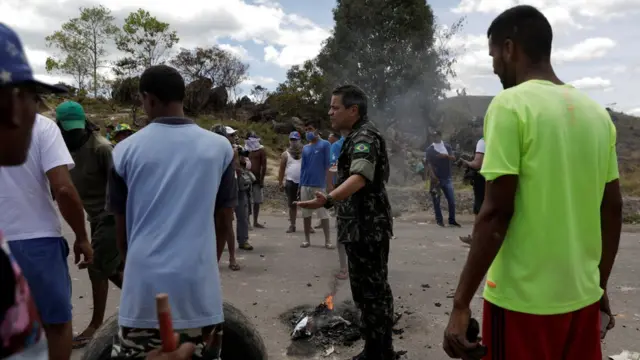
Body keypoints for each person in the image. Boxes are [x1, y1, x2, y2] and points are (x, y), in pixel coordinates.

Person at [443, 5, 621, 360]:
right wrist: (598, 285)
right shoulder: (596, 115)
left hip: (523, 304)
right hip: (582, 301)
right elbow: (612, 208)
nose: (494, 66)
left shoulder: (510, 106)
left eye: (494, 55)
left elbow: (495, 213)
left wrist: (461, 304)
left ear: (510, 48)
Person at [106, 65, 236, 359]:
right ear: (183, 96)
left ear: (148, 99)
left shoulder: (124, 151)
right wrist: (207, 264)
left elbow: (121, 226)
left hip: (143, 286)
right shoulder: (220, 148)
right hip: (198, 286)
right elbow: (224, 217)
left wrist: (133, 268)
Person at [0, 68, 93, 360]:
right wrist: (81, 235)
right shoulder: (41, 127)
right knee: (56, 324)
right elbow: (63, 190)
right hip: (37, 242)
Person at [297, 85, 395, 360]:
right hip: (358, 227)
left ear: (354, 110)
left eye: (335, 107)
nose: (330, 112)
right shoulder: (354, 136)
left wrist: (328, 199)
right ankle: (376, 349)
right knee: (365, 292)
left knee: (373, 293)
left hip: (368, 227)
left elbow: (360, 177)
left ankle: (380, 352)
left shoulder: (365, 136)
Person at [55, 101, 124, 348]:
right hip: (94, 218)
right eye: (69, 129)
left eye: (78, 128)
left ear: (85, 123)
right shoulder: (62, 148)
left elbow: (122, 186)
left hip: (111, 216)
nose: (75, 133)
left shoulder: (102, 148)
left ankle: (95, 326)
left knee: (97, 267)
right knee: (112, 269)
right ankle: (151, 304)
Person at [211, 124, 242, 270]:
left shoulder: (229, 150)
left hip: (227, 191)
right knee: (217, 226)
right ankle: (215, 260)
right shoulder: (212, 150)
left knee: (227, 225)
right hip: (216, 192)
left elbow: (236, 169)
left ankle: (232, 258)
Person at [299, 119, 333, 249]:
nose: (308, 132)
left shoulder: (325, 145)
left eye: (310, 129)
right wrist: (300, 184)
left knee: (323, 213)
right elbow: (303, 167)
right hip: (305, 184)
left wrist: (329, 184)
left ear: (317, 130)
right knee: (306, 213)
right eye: (306, 130)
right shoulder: (305, 148)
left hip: (319, 184)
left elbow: (328, 166)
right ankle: (307, 239)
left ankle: (328, 240)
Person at [425, 131, 461, 227]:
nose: (435, 138)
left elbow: (453, 158)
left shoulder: (447, 146)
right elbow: (429, 164)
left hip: (447, 177)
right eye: (433, 136)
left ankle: (452, 220)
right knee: (436, 200)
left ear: (440, 136)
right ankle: (439, 220)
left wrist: (446, 156)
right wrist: (433, 176)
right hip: (436, 178)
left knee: (451, 200)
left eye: (436, 136)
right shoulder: (430, 150)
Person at [459, 124, 485, 245]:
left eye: (476, 127)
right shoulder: (498, 139)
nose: (475, 130)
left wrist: (466, 163)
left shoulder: (482, 141)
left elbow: (477, 163)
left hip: (482, 178)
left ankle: (476, 238)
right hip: (496, 177)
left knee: (479, 209)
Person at [329, 132, 348, 280]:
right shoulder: (337, 145)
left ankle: (344, 268)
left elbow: (333, 169)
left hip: (342, 192)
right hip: (346, 193)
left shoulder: (336, 146)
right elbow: (333, 168)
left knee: (342, 232)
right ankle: (345, 267)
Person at [278, 131, 303, 233]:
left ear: (299, 140)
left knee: (306, 204)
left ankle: (308, 225)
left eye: (295, 140)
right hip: (290, 182)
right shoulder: (285, 154)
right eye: (292, 140)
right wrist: (280, 183)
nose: (293, 142)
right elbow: (281, 169)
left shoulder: (305, 152)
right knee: (292, 205)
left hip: (303, 182)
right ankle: (292, 225)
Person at [246, 131, 267, 228]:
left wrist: (262, 179)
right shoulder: (245, 149)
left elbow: (264, 166)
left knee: (257, 201)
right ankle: (248, 222)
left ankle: (255, 221)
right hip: (246, 179)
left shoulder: (261, 150)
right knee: (247, 201)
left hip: (257, 179)